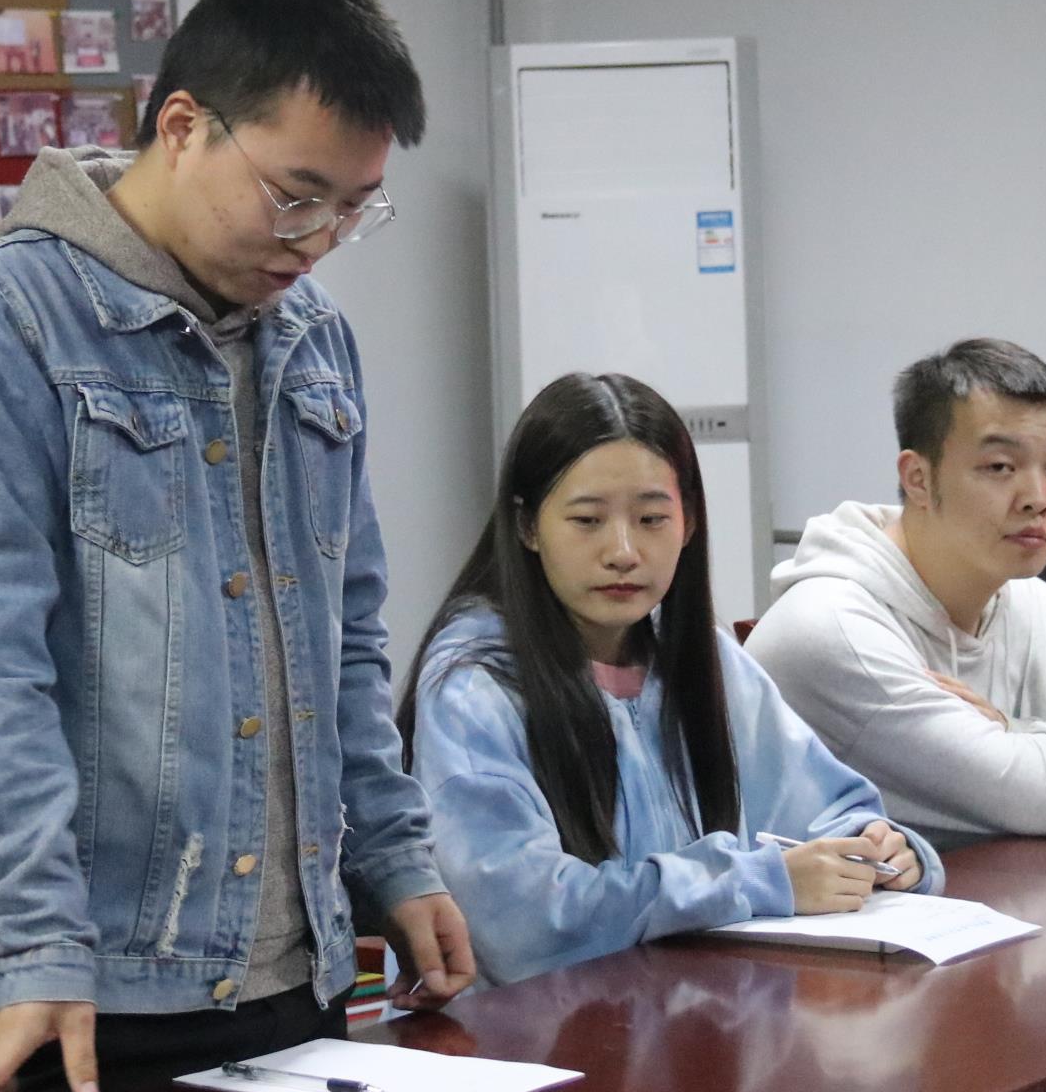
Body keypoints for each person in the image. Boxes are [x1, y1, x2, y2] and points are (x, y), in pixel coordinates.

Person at [0, 0, 473, 1092]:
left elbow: (347, 637)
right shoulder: (2, 318)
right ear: (181, 127)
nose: (320, 240)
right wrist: (38, 941)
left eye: (354, 207)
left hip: (300, 965)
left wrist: (398, 856)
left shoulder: (313, 338)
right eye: (296, 195)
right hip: (94, 986)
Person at [402, 373, 940, 985]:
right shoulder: (476, 684)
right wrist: (756, 881)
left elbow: (824, 807)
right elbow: (523, 923)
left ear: (689, 524)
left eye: (652, 519)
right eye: (587, 520)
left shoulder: (700, 655)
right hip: (533, 1031)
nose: (623, 551)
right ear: (527, 526)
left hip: (691, 1012)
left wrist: (881, 848)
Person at [749, 340, 1046, 840]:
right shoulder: (832, 629)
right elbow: (1040, 798)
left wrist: (1017, 733)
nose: (1038, 499)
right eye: (1001, 467)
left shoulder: (1033, 603)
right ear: (918, 478)